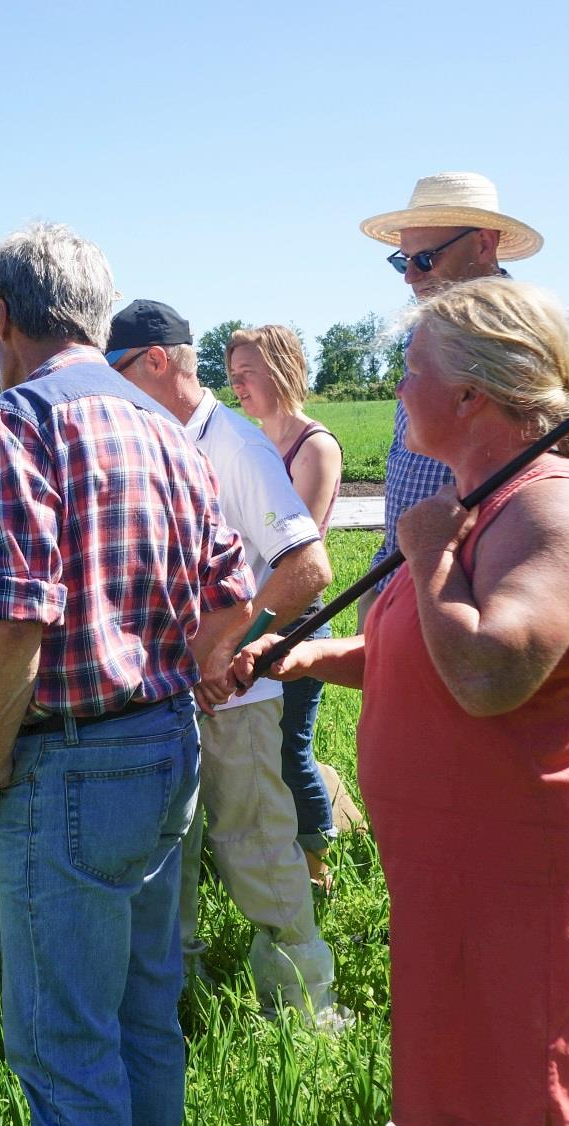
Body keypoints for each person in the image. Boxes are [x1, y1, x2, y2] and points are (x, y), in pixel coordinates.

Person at [235, 276, 569, 1126]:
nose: (396, 388)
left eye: (409, 369)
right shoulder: (482, 499)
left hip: (534, 866)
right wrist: (310, 658)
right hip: (462, 862)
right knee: (467, 1087)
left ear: (471, 393)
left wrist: (428, 552)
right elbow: (424, 647)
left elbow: (491, 672)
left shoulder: (558, 507)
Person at [0, 223, 256, 1126]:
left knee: (65, 1049)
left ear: (4, 318)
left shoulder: (20, 417)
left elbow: (14, 615)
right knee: (142, 1019)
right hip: (166, 742)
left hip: (70, 758)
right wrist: (196, 666)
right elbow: (235, 585)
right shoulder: (162, 422)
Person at [107, 300, 344, 1023]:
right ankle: (173, 993)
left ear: (155, 361)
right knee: (167, 853)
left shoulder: (235, 445)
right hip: (166, 693)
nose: (113, 393)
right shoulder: (157, 439)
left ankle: (303, 1004)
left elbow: (308, 565)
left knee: (257, 844)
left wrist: (230, 648)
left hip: (232, 698)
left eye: (119, 373)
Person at [358, 171, 569, 626]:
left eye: (425, 259)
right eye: (402, 262)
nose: (410, 277)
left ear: (482, 244)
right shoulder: (423, 336)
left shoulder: (556, 332)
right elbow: (409, 470)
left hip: (488, 599)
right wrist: (384, 582)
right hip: (402, 580)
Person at [227, 325, 344, 886]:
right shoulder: (254, 440)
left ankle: (316, 861)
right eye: (232, 374)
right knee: (263, 742)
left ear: (280, 370)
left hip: (293, 620)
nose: (236, 384)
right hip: (251, 609)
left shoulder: (313, 445)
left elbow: (297, 551)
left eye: (247, 372)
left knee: (291, 745)